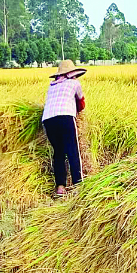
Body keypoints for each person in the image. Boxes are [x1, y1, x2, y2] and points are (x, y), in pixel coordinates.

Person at [41, 59, 86, 198]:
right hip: (65, 117)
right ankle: (79, 185)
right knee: (73, 151)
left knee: (59, 153)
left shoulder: (52, 86)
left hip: (48, 120)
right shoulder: (75, 83)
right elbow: (81, 103)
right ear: (72, 73)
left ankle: (60, 187)